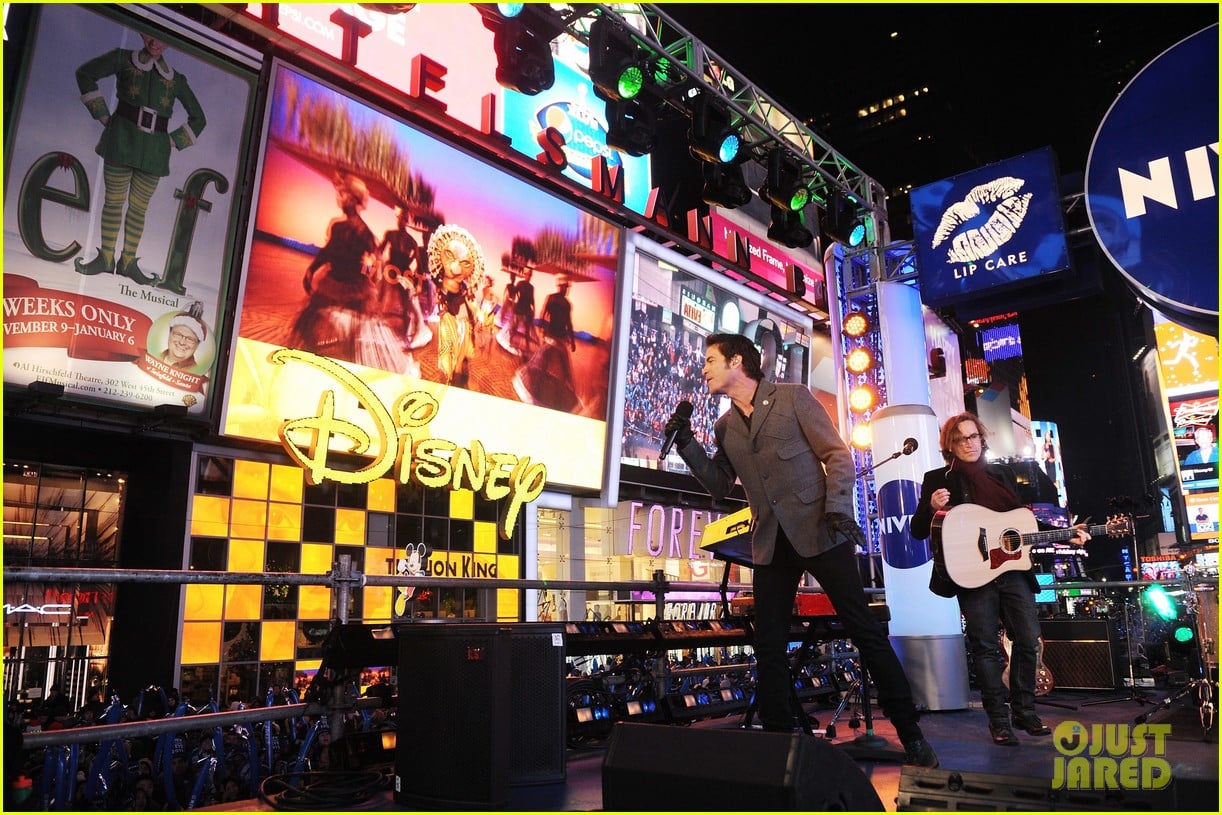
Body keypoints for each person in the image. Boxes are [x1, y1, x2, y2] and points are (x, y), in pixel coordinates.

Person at [663, 332, 938, 767]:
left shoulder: (794, 398)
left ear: (737, 361)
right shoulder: (725, 426)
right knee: (768, 642)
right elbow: (718, 484)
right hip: (772, 542)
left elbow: (839, 456)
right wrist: (686, 444)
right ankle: (778, 742)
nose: (705, 368)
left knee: (864, 630)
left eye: (712, 360)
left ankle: (911, 732)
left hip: (821, 530)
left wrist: (837, 508)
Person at [910, 412, 1090, 747]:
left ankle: (1024, 710)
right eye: (961, 438)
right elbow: (919, 531)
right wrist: (930, 508)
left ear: (982, 438)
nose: (969, 443)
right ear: (950, 444)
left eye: (974, 436)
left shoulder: (1002, 474)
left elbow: (1023, 525)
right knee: (986, 647)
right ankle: (998, 721)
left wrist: (1067, 534)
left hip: (1012, 570)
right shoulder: (937, 478)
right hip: (973, 574)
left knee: (1028, 639)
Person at [75, 31, 206, 284]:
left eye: (163, 37)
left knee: (139, 208)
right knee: (113, 201)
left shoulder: (176, 80)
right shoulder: (122, 58)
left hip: (154, 154)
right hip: (120, 142)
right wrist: (102, 114)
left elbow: (199, 118)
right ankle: (106, 258)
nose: (155, 42)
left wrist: (173, 141)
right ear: (141, 33)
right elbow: (85, 74)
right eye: (150, 35)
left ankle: (127, 263)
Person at [290, 173, 378, 363]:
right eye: (339, 195)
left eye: (343, 195)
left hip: (352, 289)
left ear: (354, 200)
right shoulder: (339, 227)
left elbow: (375, 264)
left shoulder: (365, 233)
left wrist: (369, 269)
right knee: (311, 329)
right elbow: (327, 252)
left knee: (349, 339)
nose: (339, 199)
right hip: (335, 284)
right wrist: (312, 269)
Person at [427, 224, 484, 386]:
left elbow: (470, 301)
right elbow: (440, 301)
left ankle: (456, 381)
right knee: (448, 355)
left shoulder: (464, 288)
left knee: (459, 359)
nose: (457, 268)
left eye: (464, 263)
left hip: (463, 323)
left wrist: (478, 314)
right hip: (449, 321)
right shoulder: (441, 284)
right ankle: (451, 379)